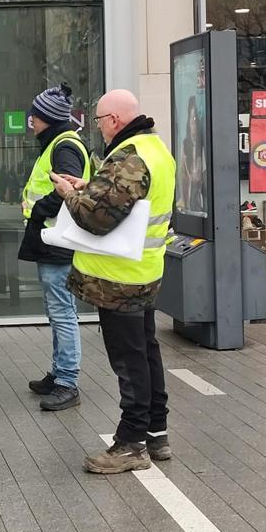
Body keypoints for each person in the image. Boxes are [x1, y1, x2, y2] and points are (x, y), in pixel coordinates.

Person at [51, 89, 175, 474]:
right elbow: (128, 202)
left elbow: (96, 218)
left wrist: (70, 194)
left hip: (117, 279)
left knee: (129, 358)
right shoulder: (156, 150)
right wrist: (89, 186)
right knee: (146, 350)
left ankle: (130, 443)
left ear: (116, 121)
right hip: (144, 271)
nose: (99, 128)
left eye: (100, 120)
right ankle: (156, 432)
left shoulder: (128, 158)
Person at [19, 85, 91, 411]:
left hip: (58, 242)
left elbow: (68, 189)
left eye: (34, 115)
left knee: (62, 312)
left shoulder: (63, 147)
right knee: (57, 310)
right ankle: (59, 372)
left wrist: (37, 210)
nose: (30, 120)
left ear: (47, 117)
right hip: (53, 240)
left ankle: (67, 382)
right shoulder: (58, 143)